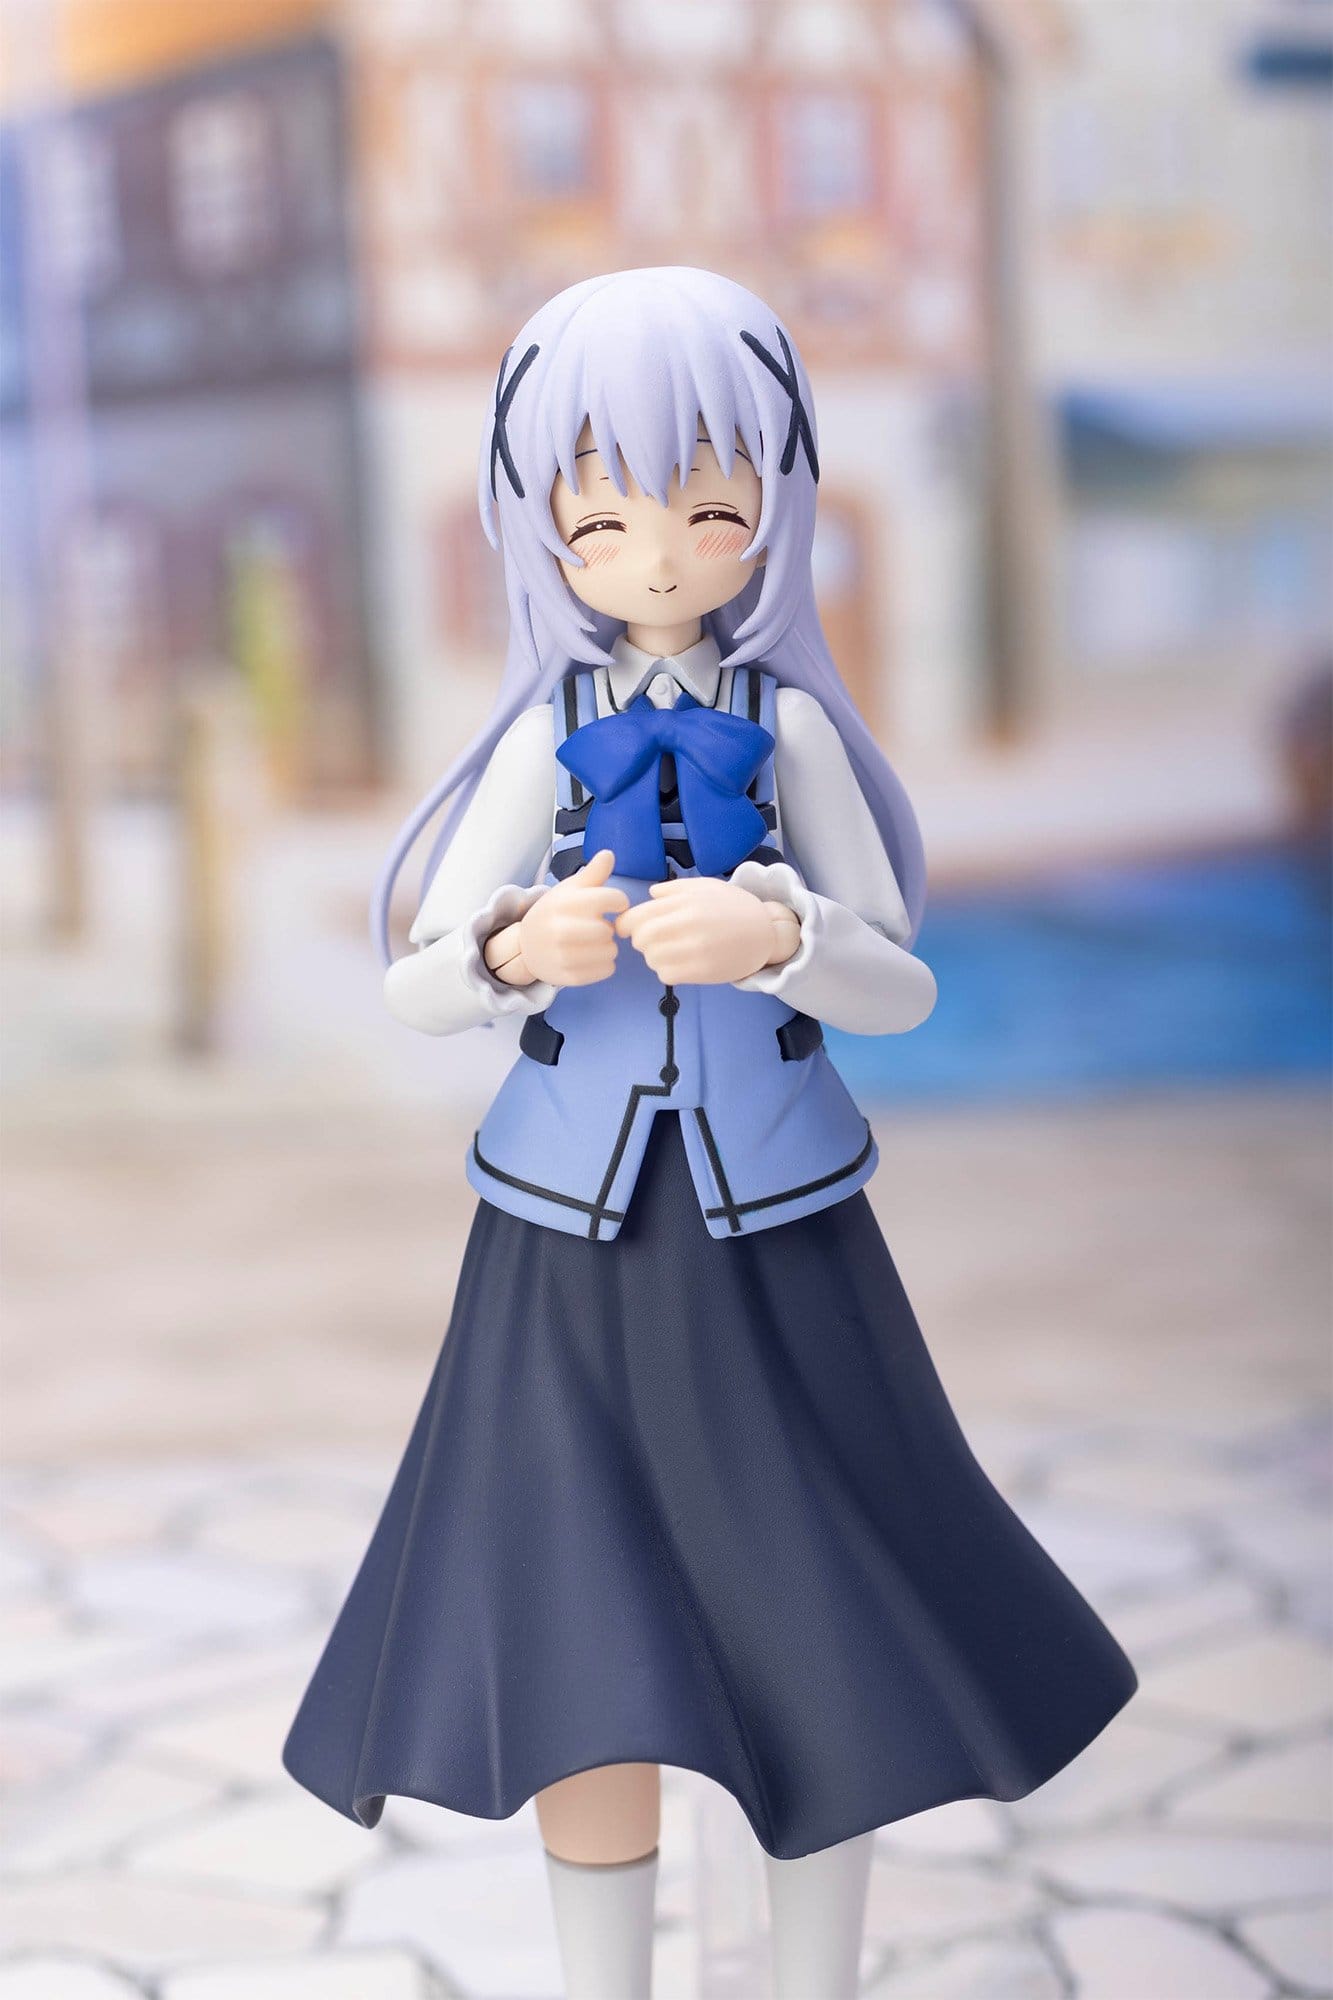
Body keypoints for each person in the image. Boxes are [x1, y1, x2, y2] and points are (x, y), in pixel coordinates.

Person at [283, 267, 1138, 2000]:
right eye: (602, 520)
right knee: (573, 1632)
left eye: (707, 510)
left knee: (824, 1627)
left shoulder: (791, 727)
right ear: (543, 526)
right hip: (564, 1243)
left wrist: (786, 937)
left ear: (773, 506)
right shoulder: (540, 739)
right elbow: (418, 983)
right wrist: (513, 947)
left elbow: (899, 980)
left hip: (780, 1235)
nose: (659, 557)